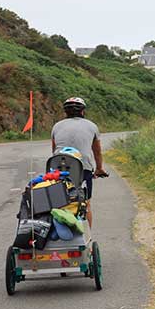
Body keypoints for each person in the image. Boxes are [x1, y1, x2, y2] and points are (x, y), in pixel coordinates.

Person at [51, 97, 108, 227]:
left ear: (65, 112)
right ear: (83, 111)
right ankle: (87, 238)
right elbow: (97, 152)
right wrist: (99, 169)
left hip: (58, 169)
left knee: (58, 201)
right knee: (86, 202)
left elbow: (54, 151)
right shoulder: (92, 126)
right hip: (83, 168)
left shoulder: (56, 126)